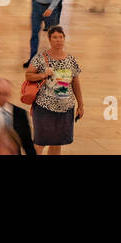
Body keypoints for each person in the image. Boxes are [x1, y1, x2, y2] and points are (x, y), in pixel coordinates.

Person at [24, 26, 83, 154]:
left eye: (61, 37)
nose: (58, 40)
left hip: (65, 108)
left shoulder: (71, 60)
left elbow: (76, 82)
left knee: (57, 143)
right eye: (55, 37)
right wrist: (43, 75)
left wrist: (81, 105)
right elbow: (28, 75)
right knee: (40, 143)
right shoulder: (41, 57)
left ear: (64, 39)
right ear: (50, 39)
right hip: (44, 108)